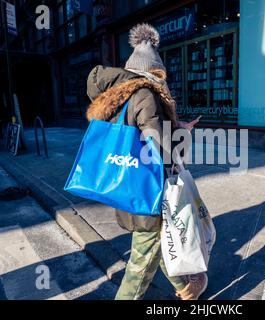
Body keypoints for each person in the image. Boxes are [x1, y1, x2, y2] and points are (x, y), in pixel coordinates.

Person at [85, 23, 207, 300]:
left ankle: (186, 288)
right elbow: (159, 147)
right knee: (140, 263)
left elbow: (141, 135)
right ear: (150, 72)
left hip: (126, 182)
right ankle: (183, 289)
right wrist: (182, 135)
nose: (162, 79)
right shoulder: (145, 95)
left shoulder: (117, 94)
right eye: (159, 73)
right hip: (148, 189)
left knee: (156, 242)